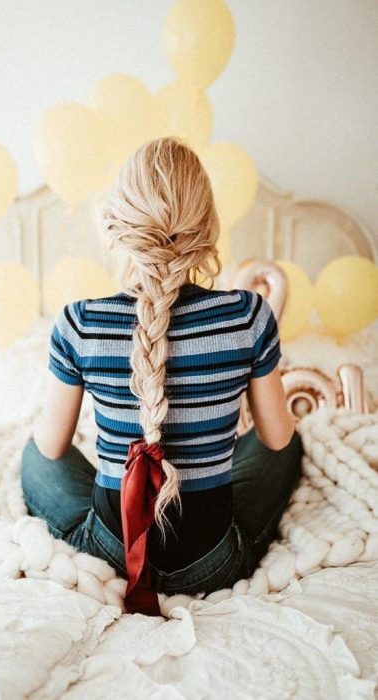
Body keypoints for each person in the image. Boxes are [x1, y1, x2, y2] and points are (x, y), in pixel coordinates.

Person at [21, 136, 304, 615]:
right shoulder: (248, 315)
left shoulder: (80, 323)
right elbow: (275, 438)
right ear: (207, 226)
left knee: (36, 453)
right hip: (213, 562)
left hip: (113, 557)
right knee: (290, 443)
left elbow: (53, 447)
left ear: (116, 226)